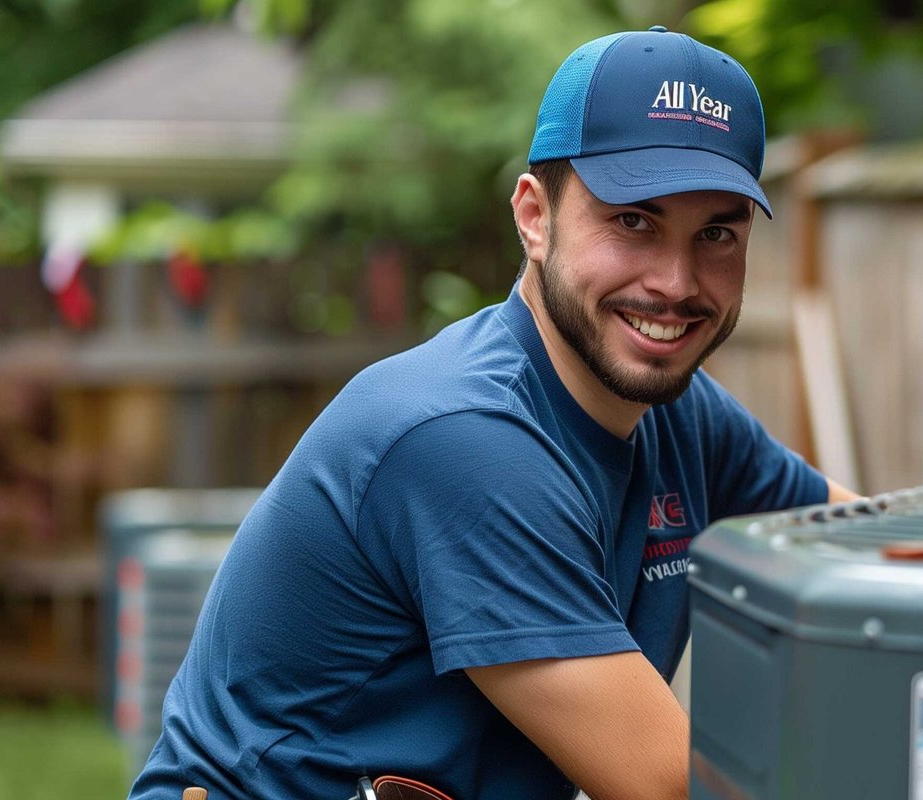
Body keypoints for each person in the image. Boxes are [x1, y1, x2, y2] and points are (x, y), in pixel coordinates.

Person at [128, 25, 857, 800]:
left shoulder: (679, 417)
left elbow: (869, 548)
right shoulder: (466, 439)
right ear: (534, 216)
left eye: (716, 233)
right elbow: (670, 788)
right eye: (633, 222)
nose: (676, 282)